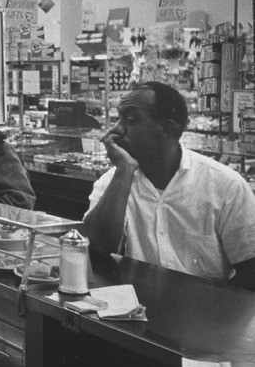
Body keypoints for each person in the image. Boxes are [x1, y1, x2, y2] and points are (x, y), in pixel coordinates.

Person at [83, 82, 255, 290]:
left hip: (204, 314)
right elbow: (95, 248)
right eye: (118, 118)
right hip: (134, 309)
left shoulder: (225, 187)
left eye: (130, 119)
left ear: (166, 128)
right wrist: (124, 170)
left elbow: (250, 271)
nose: (117, 129)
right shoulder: (114, 181)